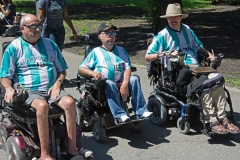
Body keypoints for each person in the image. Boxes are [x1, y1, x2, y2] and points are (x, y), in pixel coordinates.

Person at [0, 14, 92, 160]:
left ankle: (72, 150)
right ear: (23, 28)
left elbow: (62, 71)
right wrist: (9, 88)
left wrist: (58, 83)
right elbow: (4, 76)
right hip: (30, 90)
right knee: (42, 106)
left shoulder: (50, 44)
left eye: (39, 26)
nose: (38, 29)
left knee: (69, 103)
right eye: (33, 27)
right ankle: (45, 155)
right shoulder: (13, 48)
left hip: (51, 88)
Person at [145, 3, 240, 134]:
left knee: (217, 80)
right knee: (207, 85)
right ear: (167, 19)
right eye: (169, 18)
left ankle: (223, 118)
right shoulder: (162, 35)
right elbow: (148, 56)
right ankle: (211, 120)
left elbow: (197, 46)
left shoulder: (187, 30)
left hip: (199, 69)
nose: (172, 20)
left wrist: (209, 55)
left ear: (180, 17)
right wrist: (165, 53)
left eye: (175, 17)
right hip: (181, 72)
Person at [79, 21, 153, 123]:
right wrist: (94, 74)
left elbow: (127, 67)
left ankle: (141, 111)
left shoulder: (121, 50)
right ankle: (119, 115)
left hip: (121, 81)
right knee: (110, 83)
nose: (111, 36)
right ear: (100, 36)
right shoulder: (95, 52)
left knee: (134, 79)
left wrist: (125, 83)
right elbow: (81, 68)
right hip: (104, 84)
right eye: (108, 33)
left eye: (113, 33)